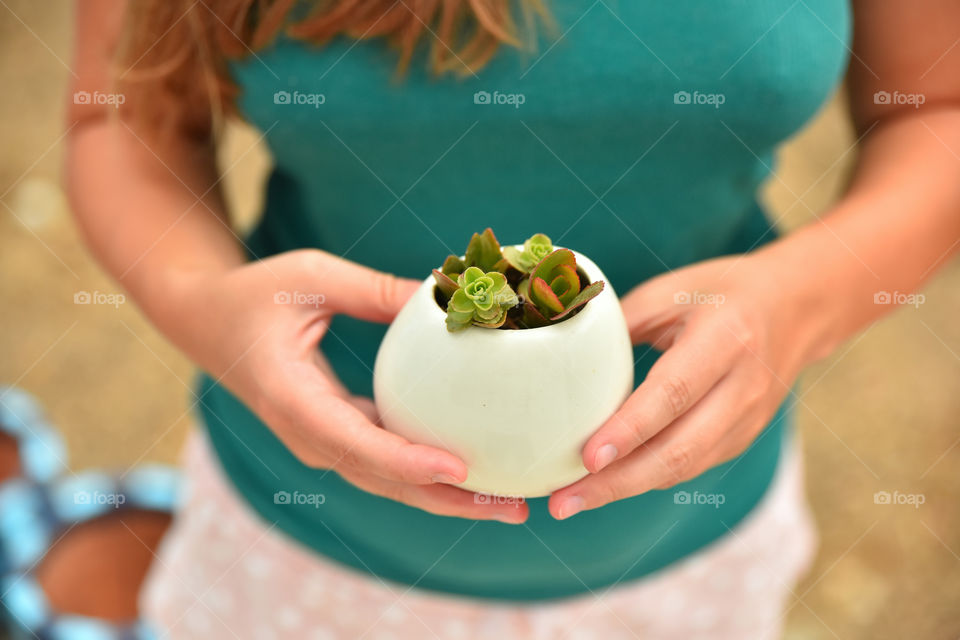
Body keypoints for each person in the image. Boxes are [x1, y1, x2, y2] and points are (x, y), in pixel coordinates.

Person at [59, 0, 960, 637]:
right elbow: (126, 122)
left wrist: (806, 297)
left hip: (688, 559)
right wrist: (210, 308)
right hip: (302, 559)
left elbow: (933, 110)